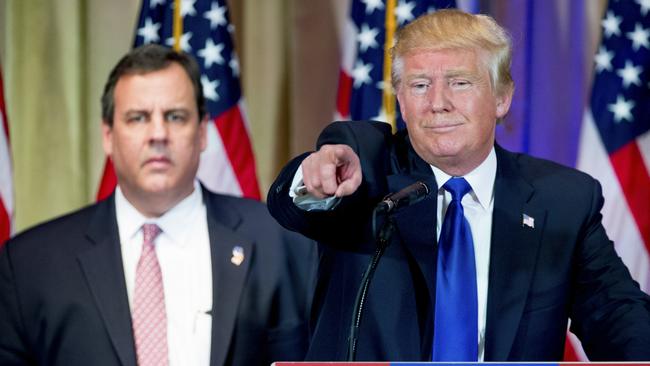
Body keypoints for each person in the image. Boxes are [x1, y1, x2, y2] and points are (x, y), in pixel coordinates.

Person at [267, 9, 650, 362]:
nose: (438, 103)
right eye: (419, 85)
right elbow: (291, 203)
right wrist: (314, 181)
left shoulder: (562, 199)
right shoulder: (367, 170)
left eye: (460, 83)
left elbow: (616, 313)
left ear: (502, 97)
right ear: (401, 100)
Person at [0, 44, 316, 366]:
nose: (158, 134)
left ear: (203, 131)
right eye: (138, 118)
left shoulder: (282, 243)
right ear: (108, 135)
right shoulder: (30, 265)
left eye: (175, 116)